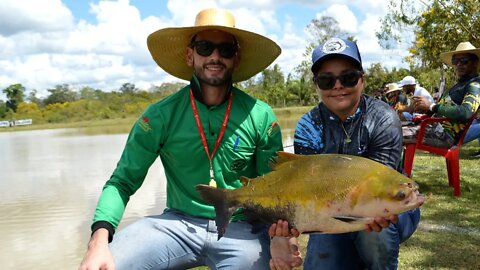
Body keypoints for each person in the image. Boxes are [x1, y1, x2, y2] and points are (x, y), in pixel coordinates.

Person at [79, 8, 298, 270]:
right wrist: (98, 242)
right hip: (176, 225)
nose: (215, 56)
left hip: (241, 228)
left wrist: (280, 239)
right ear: (189, 54)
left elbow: (273, 189)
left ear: (236, 59)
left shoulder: (260, 116)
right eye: (205, 47)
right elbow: (122, 181)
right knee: (105, 264)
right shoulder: (160, 116)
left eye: (225, 49)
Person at [292, 37, 421, 269]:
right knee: (321, 262)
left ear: (362, 80)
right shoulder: (307, 126)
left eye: (348, 77)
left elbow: (381, 188)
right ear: (317, 85)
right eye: (326, 80)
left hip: (387, 207)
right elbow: (308, 188)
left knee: (374, 232)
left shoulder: (383, 118)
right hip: (331, 210)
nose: (338, 86)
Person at [403, 41, 480, 149]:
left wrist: (431, 106)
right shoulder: (457, 86)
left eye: (464, 60)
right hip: (433, 128)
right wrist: (426, 109)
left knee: (390, 134)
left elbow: (466, 113)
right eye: (455, 61)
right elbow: (441, 110)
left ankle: (391, 166)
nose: (459, 64)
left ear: (475, 62)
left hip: (445, 136)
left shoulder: (475, 85)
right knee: (388, 127)